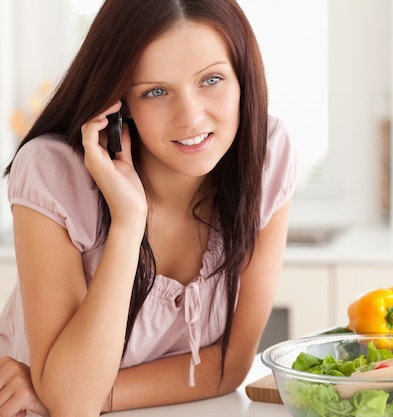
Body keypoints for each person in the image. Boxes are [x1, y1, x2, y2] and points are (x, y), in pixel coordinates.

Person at [0, 0, 296, 416]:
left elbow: (229, 366)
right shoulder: (53, 173)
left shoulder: (264, 155)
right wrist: (127, 221)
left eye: (211, 79)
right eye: (155, 91)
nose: (191, 117)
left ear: (243, 77)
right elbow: (71, 406)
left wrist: (70, 390)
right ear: (120, 104)